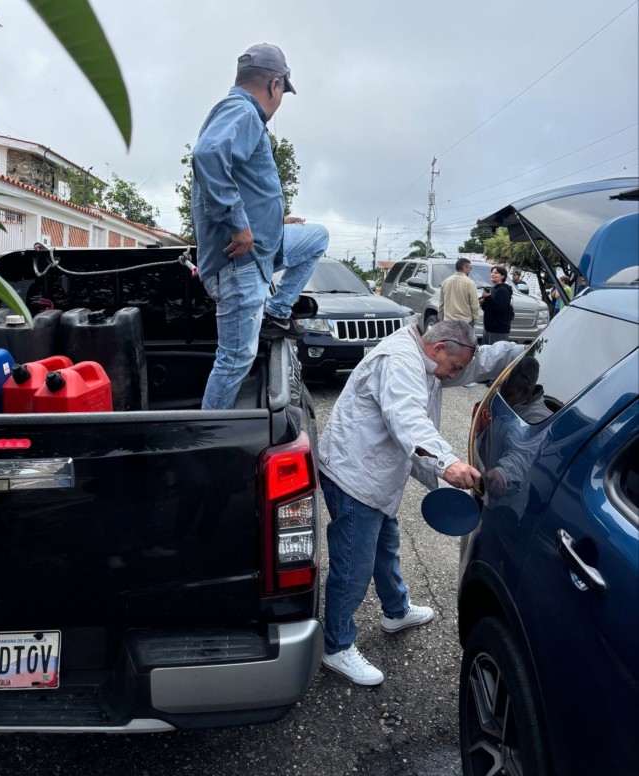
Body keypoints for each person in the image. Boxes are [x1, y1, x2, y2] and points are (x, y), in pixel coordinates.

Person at [319, 320, 524, 685]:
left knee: (385, 543)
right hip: (354, 475)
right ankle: (336, 647)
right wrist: (447, 463)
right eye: (454, 367)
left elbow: (477, 363)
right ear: (438, 349)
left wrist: (535, 347)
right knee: (353, 564)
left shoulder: (432, 357)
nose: (455, 376)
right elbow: (408, 418)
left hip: (373, 472)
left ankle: (396, 610)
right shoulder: (400, 362)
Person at [191, 43, 328, 410]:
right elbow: (207, 156)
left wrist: (267, 217)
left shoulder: (238, 113)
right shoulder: (243, 111)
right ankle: (208, 438)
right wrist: (239, 224)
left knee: (317, 237)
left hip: (260, 247)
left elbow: (235, 175)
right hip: (240, 264)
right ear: (275, 85)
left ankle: (279, 309)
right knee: (235, 359)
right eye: (282, 91)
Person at [438, 258, 480, 328]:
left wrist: (441, 318)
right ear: (464, 268)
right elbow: (474, 304)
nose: (470, 270)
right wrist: (475, 319)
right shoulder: (470, 283)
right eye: (470, 268)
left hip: (448, 321)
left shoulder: (445, 282)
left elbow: (441, 303)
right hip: (465, 322)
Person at [480, 264, 513, 344]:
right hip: (489, 328)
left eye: (496, 273)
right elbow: (489, 309)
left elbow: (500, 309)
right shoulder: (494, 288)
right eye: (492, 272)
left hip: (498, 329)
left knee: (496, 354)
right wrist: (483, 303)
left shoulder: (503, 290)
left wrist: (488, 298)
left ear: (502, 276)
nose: (492, 274)